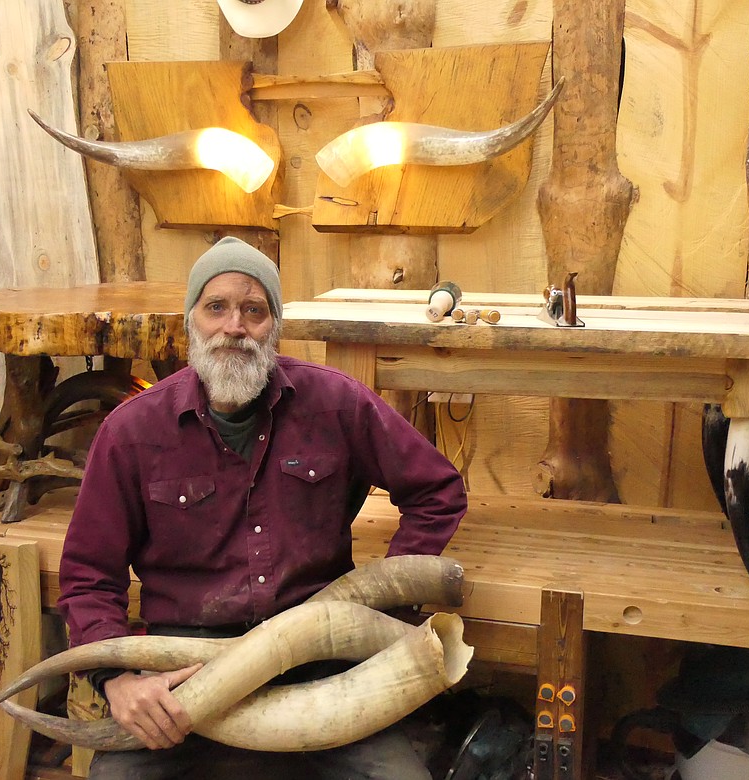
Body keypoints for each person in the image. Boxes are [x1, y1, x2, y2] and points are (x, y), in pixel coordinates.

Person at [58, 236, 467, 779]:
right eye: (216, 308)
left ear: (274, 326)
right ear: (191, 323)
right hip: (186, 674)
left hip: (318, 661)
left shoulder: (336, 403)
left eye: (254, 310)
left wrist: (387, 603)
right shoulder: (132, 433)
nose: (234, 326)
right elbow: (88, 575)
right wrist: (118, 680)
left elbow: (437, 490)